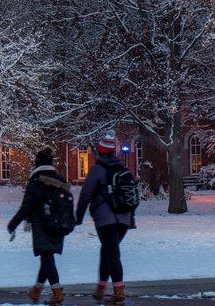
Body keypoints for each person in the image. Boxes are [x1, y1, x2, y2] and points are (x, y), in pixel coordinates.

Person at [76, 130, 136, 306]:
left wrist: (78, 217)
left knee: (112, 253)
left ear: (100, 152)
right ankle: (101, 288)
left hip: (105, 219)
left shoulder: (96, 170)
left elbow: (86, 195)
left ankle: (118, 292)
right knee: (108, 251)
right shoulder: (123, 170)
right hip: (124, 219)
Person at [7, 148, 71, 305]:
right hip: (59, 225)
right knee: (47, 256)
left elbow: (26, 206)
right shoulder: (60, 180)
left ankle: (57, 293)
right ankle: (36, 290)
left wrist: (13, 224)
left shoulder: (35, 182)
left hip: (42, 225)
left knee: (47, 256)